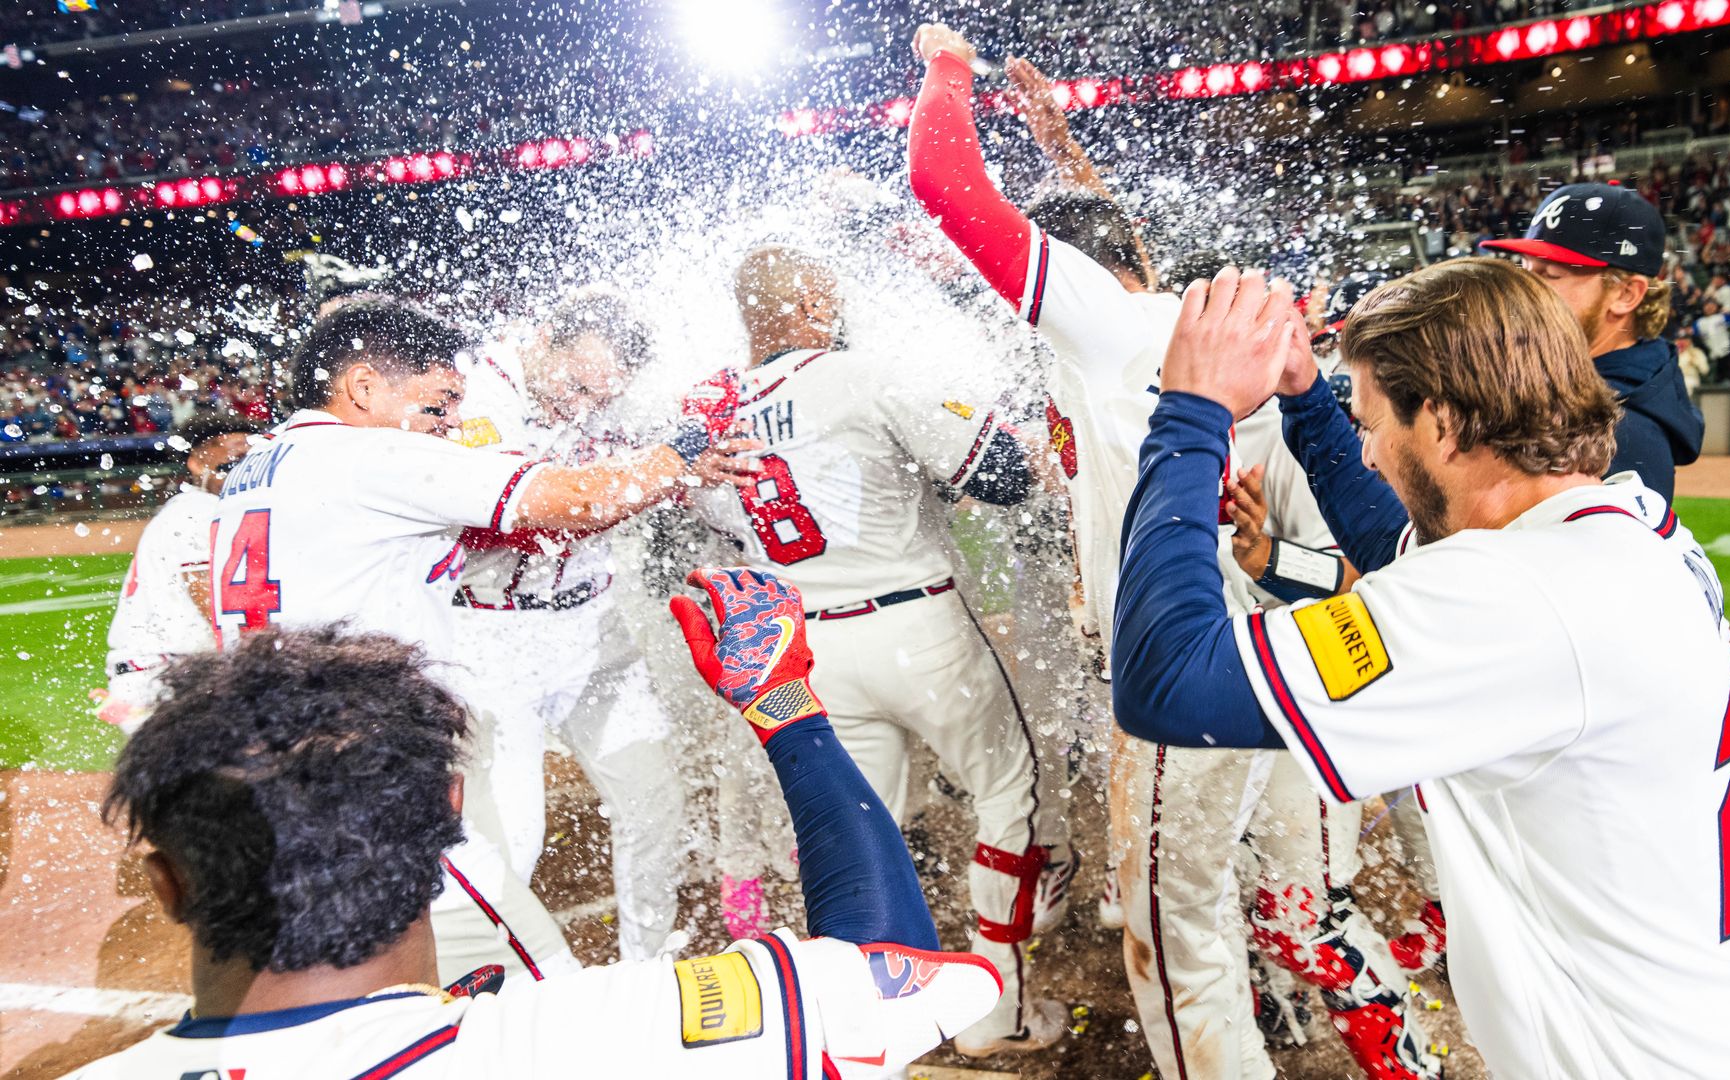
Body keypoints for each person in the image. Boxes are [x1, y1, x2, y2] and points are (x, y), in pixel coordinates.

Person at [1111, 258, 1730, 1079]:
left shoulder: (1515, 597)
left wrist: (1190, 413)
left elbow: (1169, 679)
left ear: (1442, 421)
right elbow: (1389, 547)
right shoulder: (1613, 524)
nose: (1364, 454)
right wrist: (1302, 396)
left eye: (1367, 422)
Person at [907, 26, 1440, 1080]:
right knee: (1296, 915)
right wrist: (1061, 152)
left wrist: (946, 67)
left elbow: (943, 181)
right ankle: (1409, 1061)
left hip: (1187, 670)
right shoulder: (1185, 325)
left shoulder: (1099, 331)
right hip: (1294, 663)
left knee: (1176, 939)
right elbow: (1116, 257)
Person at [62, 573, 1003, 1078]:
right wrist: (786, 709)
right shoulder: (582, 1044)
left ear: (166, 883)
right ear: (449, 825)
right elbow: (893, 971)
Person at [207, 297, 759, 986]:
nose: (452, 426)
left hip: (291, 752)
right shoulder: (375, 455)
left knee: (356, 967)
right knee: (539, 981)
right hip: (366, 765)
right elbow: (573, 500)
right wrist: (680, 449)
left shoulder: (263, 461)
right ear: (363, 387)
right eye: (438, 407)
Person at [683, 244, 1074, 1056]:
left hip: (808, 645)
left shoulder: (705, 410)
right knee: (1008, 790)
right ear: (811, 303)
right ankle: (992, 1014)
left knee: (864, 828)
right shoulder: (860, 372)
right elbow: (1002, 473)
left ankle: (863, 1027)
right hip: (916, 623)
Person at [447, 289, 688, 964]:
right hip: (489, 640)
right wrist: (669, 469)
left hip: (593, 628)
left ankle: (646, 973)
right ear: (544, 335)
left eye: (601, 396)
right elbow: (533, 521)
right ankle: (480, 988)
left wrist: (699, 455)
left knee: (654, 804)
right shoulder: (473, 389)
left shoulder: (614, 396)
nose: (582, 406)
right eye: (576, 384)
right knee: (509, 841)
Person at [1481, 182, 1704, 501]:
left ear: (1626, 294)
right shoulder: (1580, 391)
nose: (1525, 291)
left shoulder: (1622, 431)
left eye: (1550, 275)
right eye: (1527, 272)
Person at [96, 413, 259, 731]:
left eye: (249, 460)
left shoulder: (197, 508)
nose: (240, 470)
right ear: (197, 464)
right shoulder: (198, 510)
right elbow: (209, 600)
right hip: (165, 675)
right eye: (232, 461)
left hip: (159, 673)